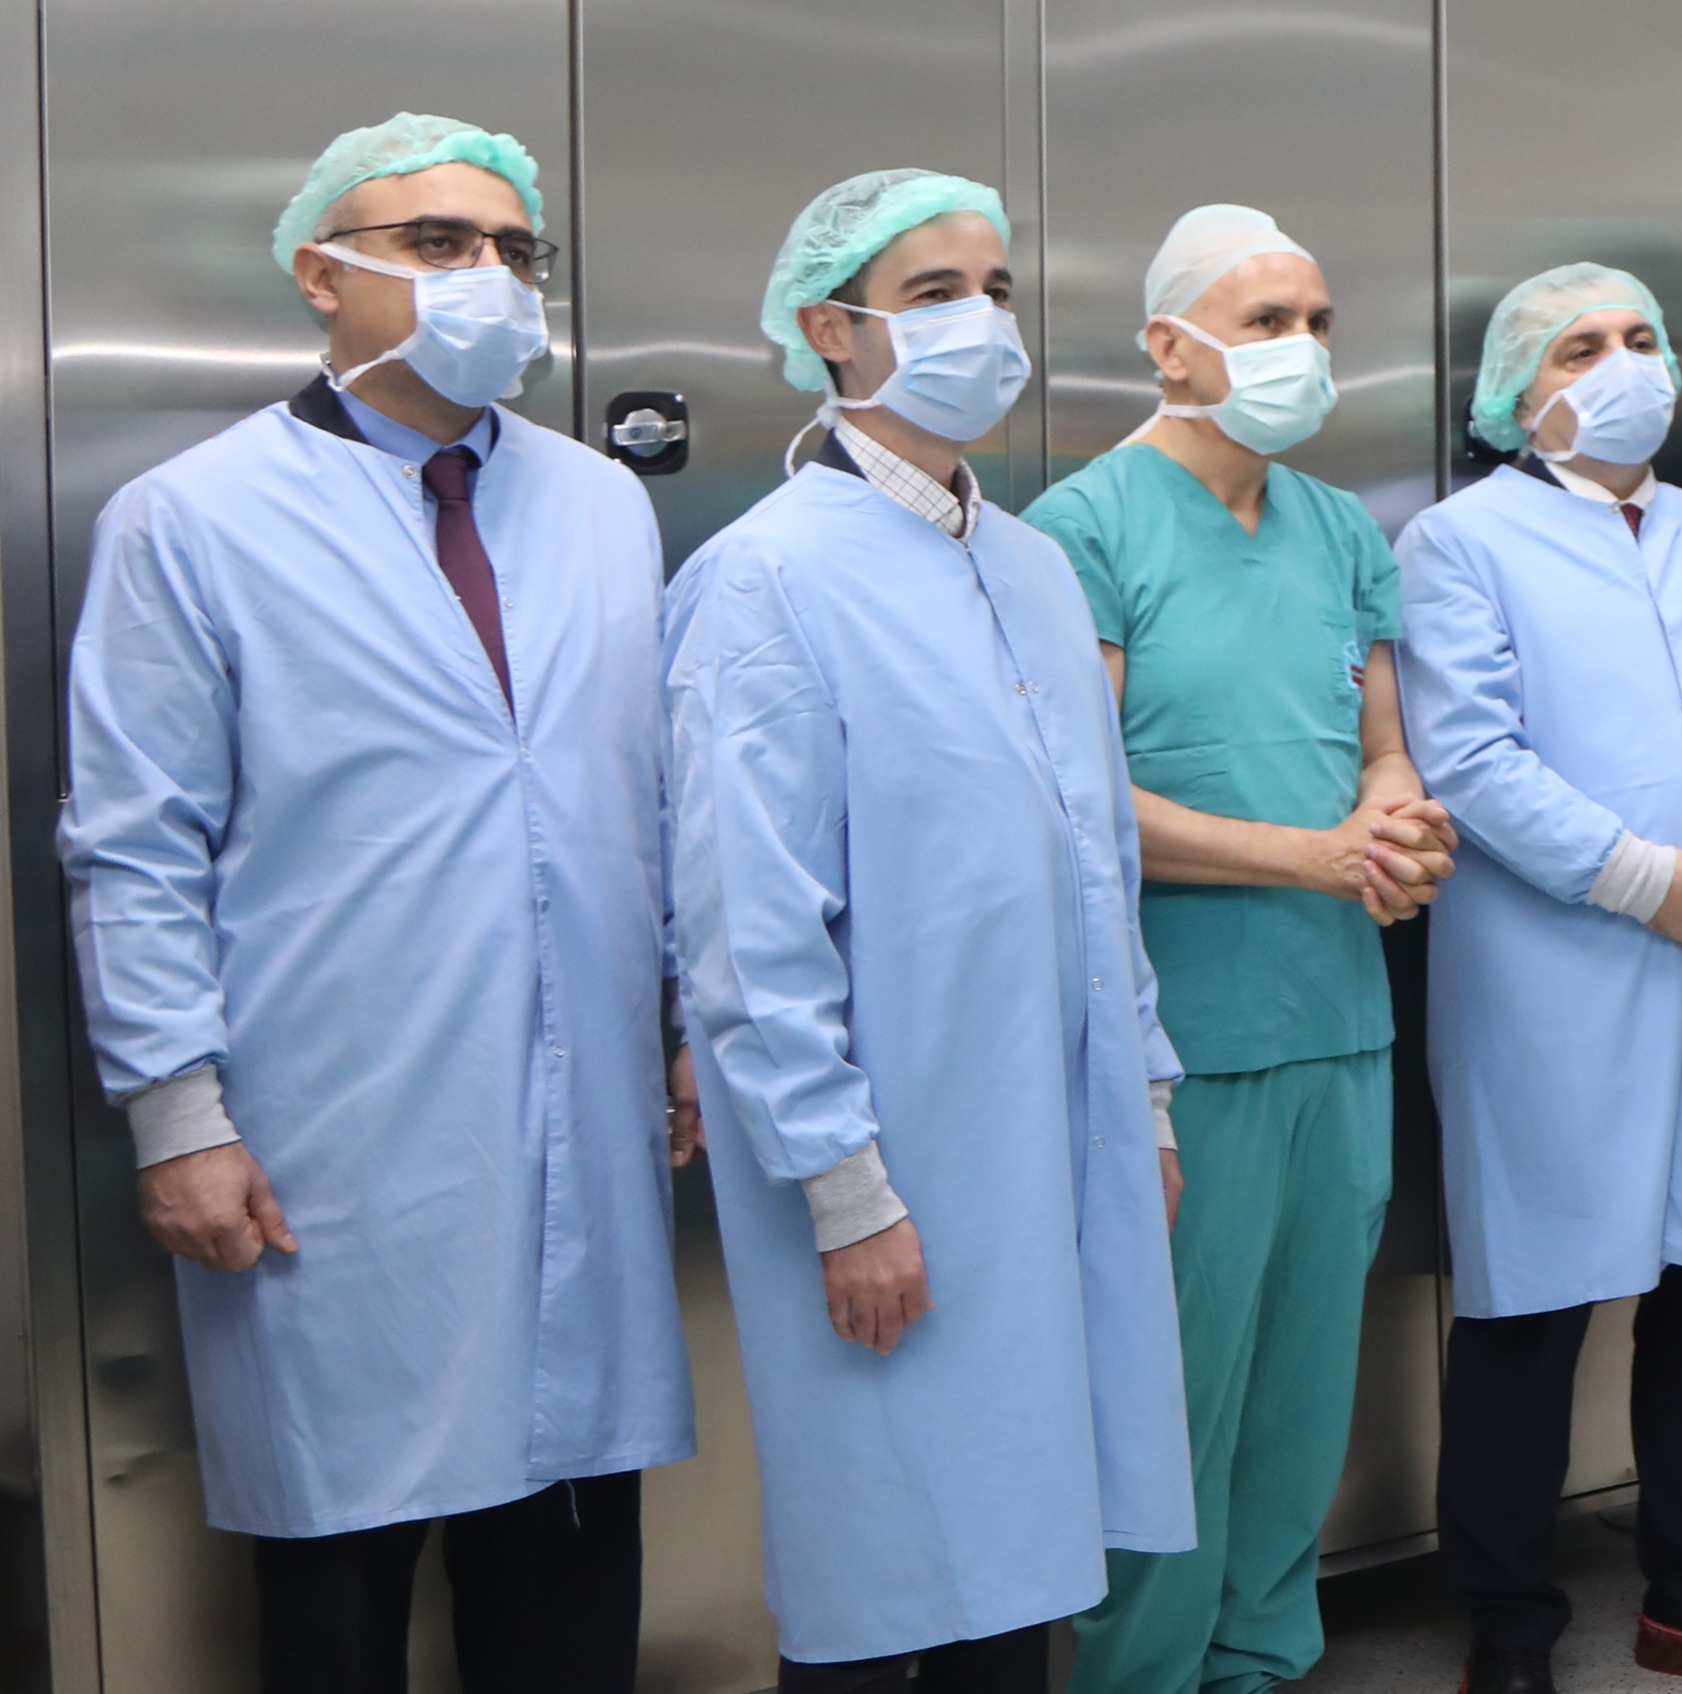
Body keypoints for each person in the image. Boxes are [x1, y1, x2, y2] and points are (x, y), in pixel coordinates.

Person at [56, 113, 695, 1693]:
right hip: (331, 1134)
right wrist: (176, 1118)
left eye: (513, 248)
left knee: (567, 1566)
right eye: (437, 242)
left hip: (587, 1106)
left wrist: (686, 1018)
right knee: (341, 1583)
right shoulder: (193, 518)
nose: (490, 276)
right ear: (319, 274)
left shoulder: (601, 503)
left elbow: (652, 795)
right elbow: (135, 841)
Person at [663, 170, 1194, 1694]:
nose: (982, 322)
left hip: (1060, 1142)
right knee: (890, 1562)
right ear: (831, 329)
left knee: (1026, 1550)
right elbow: (748, 926)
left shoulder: (1030, 564)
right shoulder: (766, 577)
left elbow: (1097, 866)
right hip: (893, 1160)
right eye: (934, 292)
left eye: (996, 288)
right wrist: (845, 1192)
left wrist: (1146, 1095)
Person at [1396, 262, 1682, 1694]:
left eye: (1642, 337)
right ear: (1515, 394)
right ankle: (1507, 1621)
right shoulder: (1458, 542)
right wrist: (1647, 879)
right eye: (1581, 346)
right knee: (1530, 1309)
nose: (1623, 365)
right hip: (1553, 976)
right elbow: (1470, 757)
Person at [1021, 203, 1457, 1694]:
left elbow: (1381, 744)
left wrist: (1394, 823)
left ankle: (1262, 1656)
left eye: (1318, 323)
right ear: (1170, 346)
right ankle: (1141, 1673)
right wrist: (1311, 857)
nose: (1303, 350)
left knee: (1299, 1387)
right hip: (1182, 1035)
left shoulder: (1339, 528)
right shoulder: (1086, 527)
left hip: (1337, 1014)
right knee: (1176, 1391)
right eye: (1267, 322)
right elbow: (1079, 801)